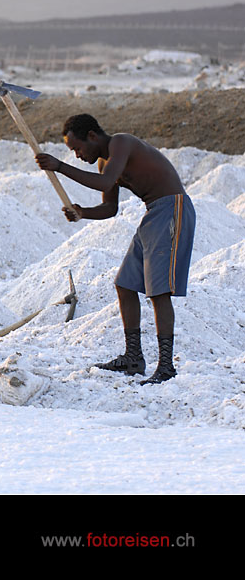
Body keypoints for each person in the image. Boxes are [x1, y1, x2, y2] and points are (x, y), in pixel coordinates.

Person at [35, 114, 196, 385]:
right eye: (71, 152)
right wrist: (82, 212)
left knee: (158, 292)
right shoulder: (102, 163)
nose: (76, 155)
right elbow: (110, 208)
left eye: (77, 148)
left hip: (172, 208)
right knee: (125, 284)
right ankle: (133, 357)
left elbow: (104, 183)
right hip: (153, 213)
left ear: (93, 136)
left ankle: (166, 366)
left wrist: (60, 166)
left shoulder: (121, 143)